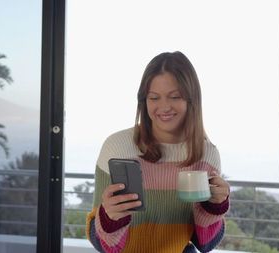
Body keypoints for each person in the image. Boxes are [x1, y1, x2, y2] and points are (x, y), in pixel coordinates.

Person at [86, 51, 230, 253]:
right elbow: (100, 242)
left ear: (192, 100)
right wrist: (110, 218)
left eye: (175, 97)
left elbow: (205, 244)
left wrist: (215, 207)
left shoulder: (207, 155)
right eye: (154, 98)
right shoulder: (117, 146)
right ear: (144, 101)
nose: (164, 107)